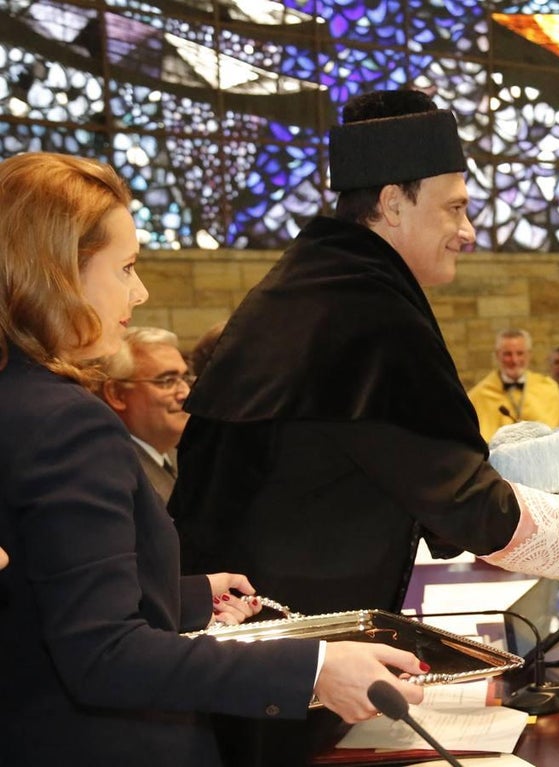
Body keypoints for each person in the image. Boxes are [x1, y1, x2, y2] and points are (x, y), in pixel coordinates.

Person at [170, 89, 559, 634]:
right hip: (274, 636)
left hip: (246, 619)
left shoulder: (318, 284)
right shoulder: (365, 311)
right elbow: (466, 504)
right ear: (393, 203)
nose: (468, 231)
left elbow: (405, 472)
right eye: (455, 208)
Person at [0, 152, 429, 767]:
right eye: (126, 268)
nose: (140, 291)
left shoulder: (17, 398)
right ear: (59, 273)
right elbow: (103, 654)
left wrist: (193, 595)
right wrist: (314, 669)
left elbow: (43, 593)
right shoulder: (67, 421)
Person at [99, 326, 193, 504]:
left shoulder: (180, 458)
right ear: (117, 394)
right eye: (167, 381)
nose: (185, 393)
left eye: (185, 378)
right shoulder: (112, 471)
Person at [468, 328, 559, 439]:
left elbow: (558, 436)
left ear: (529, 355)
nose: (514, 360)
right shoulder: (477, 396)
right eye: (507, 354)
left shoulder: (549, 389)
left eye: (520, 353)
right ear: (497, 355)